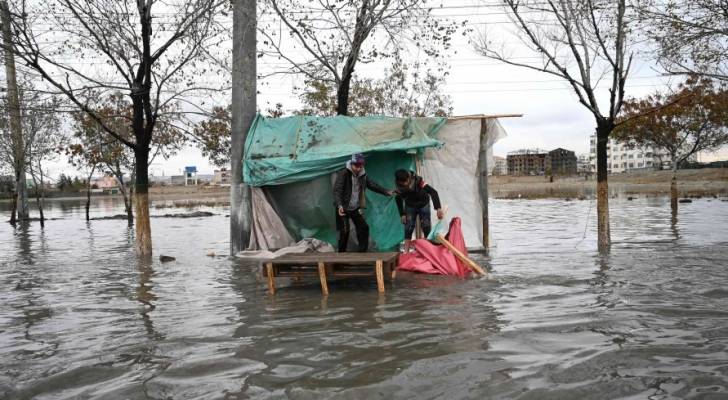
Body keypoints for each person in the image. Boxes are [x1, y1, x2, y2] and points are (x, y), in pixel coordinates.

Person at [333, 153, 392, 252]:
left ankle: (362, 253)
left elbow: (371, 184)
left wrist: (386, 191)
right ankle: (341, 255)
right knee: (345, 230)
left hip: (354, 207)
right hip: (343, 206)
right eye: (356, 166)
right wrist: (339, 205)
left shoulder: (362, 175)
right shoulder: (344, 173)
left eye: (360, 166)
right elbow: (337, 190)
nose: (358, 168)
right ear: (351, 164)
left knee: (363, 227)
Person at [394, 169, 443, 252]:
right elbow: (398, 198)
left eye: (406, 181)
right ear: (399, 182)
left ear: (409, 178)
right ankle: (406, 252)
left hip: (423, 204)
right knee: (408, 227)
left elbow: (433, 192)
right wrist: (402, 214)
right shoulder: (399, 187)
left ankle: (430, 251)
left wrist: (438, 208)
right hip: (410, 205)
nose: (405, 184)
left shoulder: (418, 181)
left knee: (426, 226)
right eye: (403, 183)